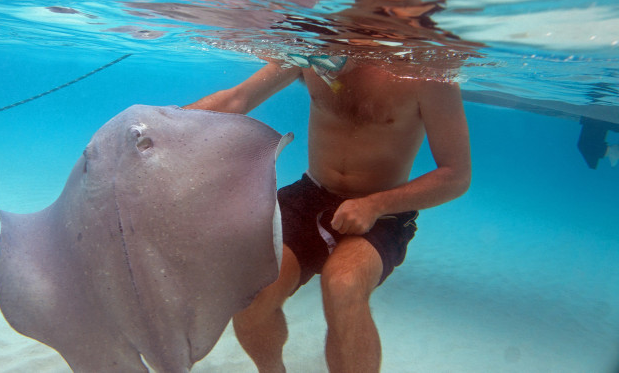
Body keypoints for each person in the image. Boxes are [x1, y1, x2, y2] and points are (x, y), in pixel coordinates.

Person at [185, 55, 471, 373]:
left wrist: (375, 205)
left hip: (383, 208)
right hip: (311, 193)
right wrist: (165, 127)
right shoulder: (314, 48)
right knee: (254, 288)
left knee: (343, 285)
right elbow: (238, 97)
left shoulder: (426, 71)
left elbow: (456, 176)